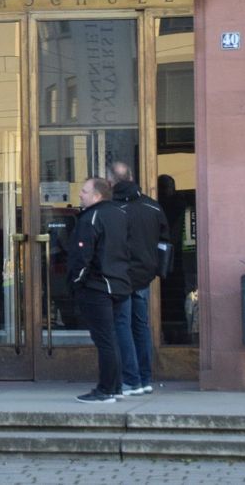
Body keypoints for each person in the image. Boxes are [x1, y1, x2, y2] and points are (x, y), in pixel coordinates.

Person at [68, 177, 131, 404]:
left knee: (105, 339)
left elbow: (83, 255)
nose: (80, 195)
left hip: (97, 286)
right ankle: (114, 387)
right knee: (111, 337)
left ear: (97, 196)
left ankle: (106, 389)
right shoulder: (121, 214)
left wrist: (76, 281)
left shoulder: (92, 217)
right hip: (118, 284)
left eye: (84, 191)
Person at [109, 162, 168, 396]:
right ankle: (144, 378)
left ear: (112, 182)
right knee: (140, 326)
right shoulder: (152, 207)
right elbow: (165, 241)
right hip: (144, 275)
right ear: (131, 177)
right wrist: (155, 269)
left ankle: (130, 379)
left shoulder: (111, 208)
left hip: (121, 275)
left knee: (122, 325)